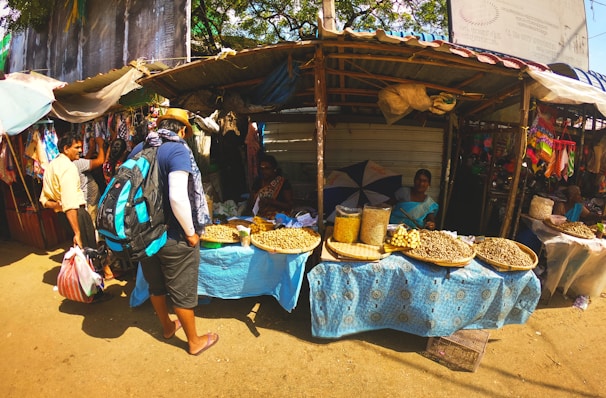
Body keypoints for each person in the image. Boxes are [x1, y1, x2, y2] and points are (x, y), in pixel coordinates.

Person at [129, 108, 217, 355]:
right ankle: (194, 341)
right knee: (182, 291)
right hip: (173, 235)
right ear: (181, 130)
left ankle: (168, 327)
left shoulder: (139, 149)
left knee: (156, 286)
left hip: (143, 235)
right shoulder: (176, 149)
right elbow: (178, 197)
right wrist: (190, 232)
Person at [40, 131, 111, 302]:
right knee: (88, 253)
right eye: (77, 147)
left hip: (66, 215)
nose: (80, 150)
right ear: (66, 148)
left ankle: (88, 290)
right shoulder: (68, 168)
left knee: (82, 254)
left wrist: (59, 206)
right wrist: (77, 232)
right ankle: (92, 294)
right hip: (76, 215)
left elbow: (44, 200)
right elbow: (71, 202)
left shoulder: (52, 165)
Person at [73, 135, 115, 280]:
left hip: (89, 204)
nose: (80, 150)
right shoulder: (76, 164)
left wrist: (91, 148)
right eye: (77, 148)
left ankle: (101, 267)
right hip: (90, 206)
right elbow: (100, 161)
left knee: (94, 237)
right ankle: (106, 269)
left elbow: (85, 160)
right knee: (96, 238)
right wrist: (101, 145)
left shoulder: (73, 163)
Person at [246, 154, 294, 219]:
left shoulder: (283, 183)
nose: (264, 171)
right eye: (261, 168)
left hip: (278, 216)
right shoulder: (258, 181)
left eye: (267, 168)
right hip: (260, 215)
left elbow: (289, 206)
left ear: (274, 169)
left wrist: (272, 202)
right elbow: (250, 202)